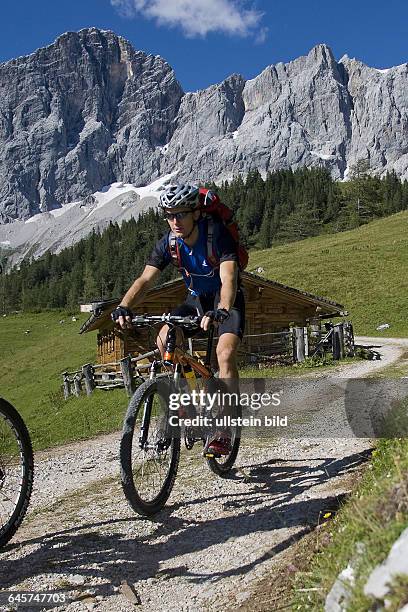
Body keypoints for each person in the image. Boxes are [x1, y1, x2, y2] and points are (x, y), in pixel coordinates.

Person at [112, 184, 245, 454]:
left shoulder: (216, 235)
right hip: (196, 300)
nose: (175, 221)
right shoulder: (169, 243)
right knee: (164, 338)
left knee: (225, 353)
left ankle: (225, 427)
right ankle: (188, 405)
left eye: (181, 214)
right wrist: (124, 305)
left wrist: (222, 309)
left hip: (225, 299)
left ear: (195, 213)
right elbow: (146, 280)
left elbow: (229, 276)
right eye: (169, 215)